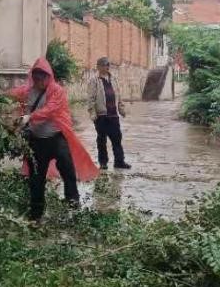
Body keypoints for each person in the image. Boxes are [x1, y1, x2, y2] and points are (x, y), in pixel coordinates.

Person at [9, 57, 99, 221]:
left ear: (48, 76)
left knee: (68, 170)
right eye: (36, 77)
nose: (39, 81)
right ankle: (36, 215)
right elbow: (10, 95)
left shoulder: (57, 91)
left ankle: (73, 206)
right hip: (36, 142)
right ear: (33, 77)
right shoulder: (27, 91)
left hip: (57, 139)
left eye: (42, 77)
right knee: (36, 179)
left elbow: (50, 110)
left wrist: (30, 117)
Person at [89, 57, 131, 171]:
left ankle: (119, 162)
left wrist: (121, 109)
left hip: (113, 115)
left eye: (108, 65)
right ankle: (103, 163)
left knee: (117, 139)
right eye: (103, 65)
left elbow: (118, 96)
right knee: (101, 140)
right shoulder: (94, 80)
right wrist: (93, 114)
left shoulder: (113, 79)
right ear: (98, 67)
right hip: (101, 116)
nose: (106, 67)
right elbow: (91, 99)